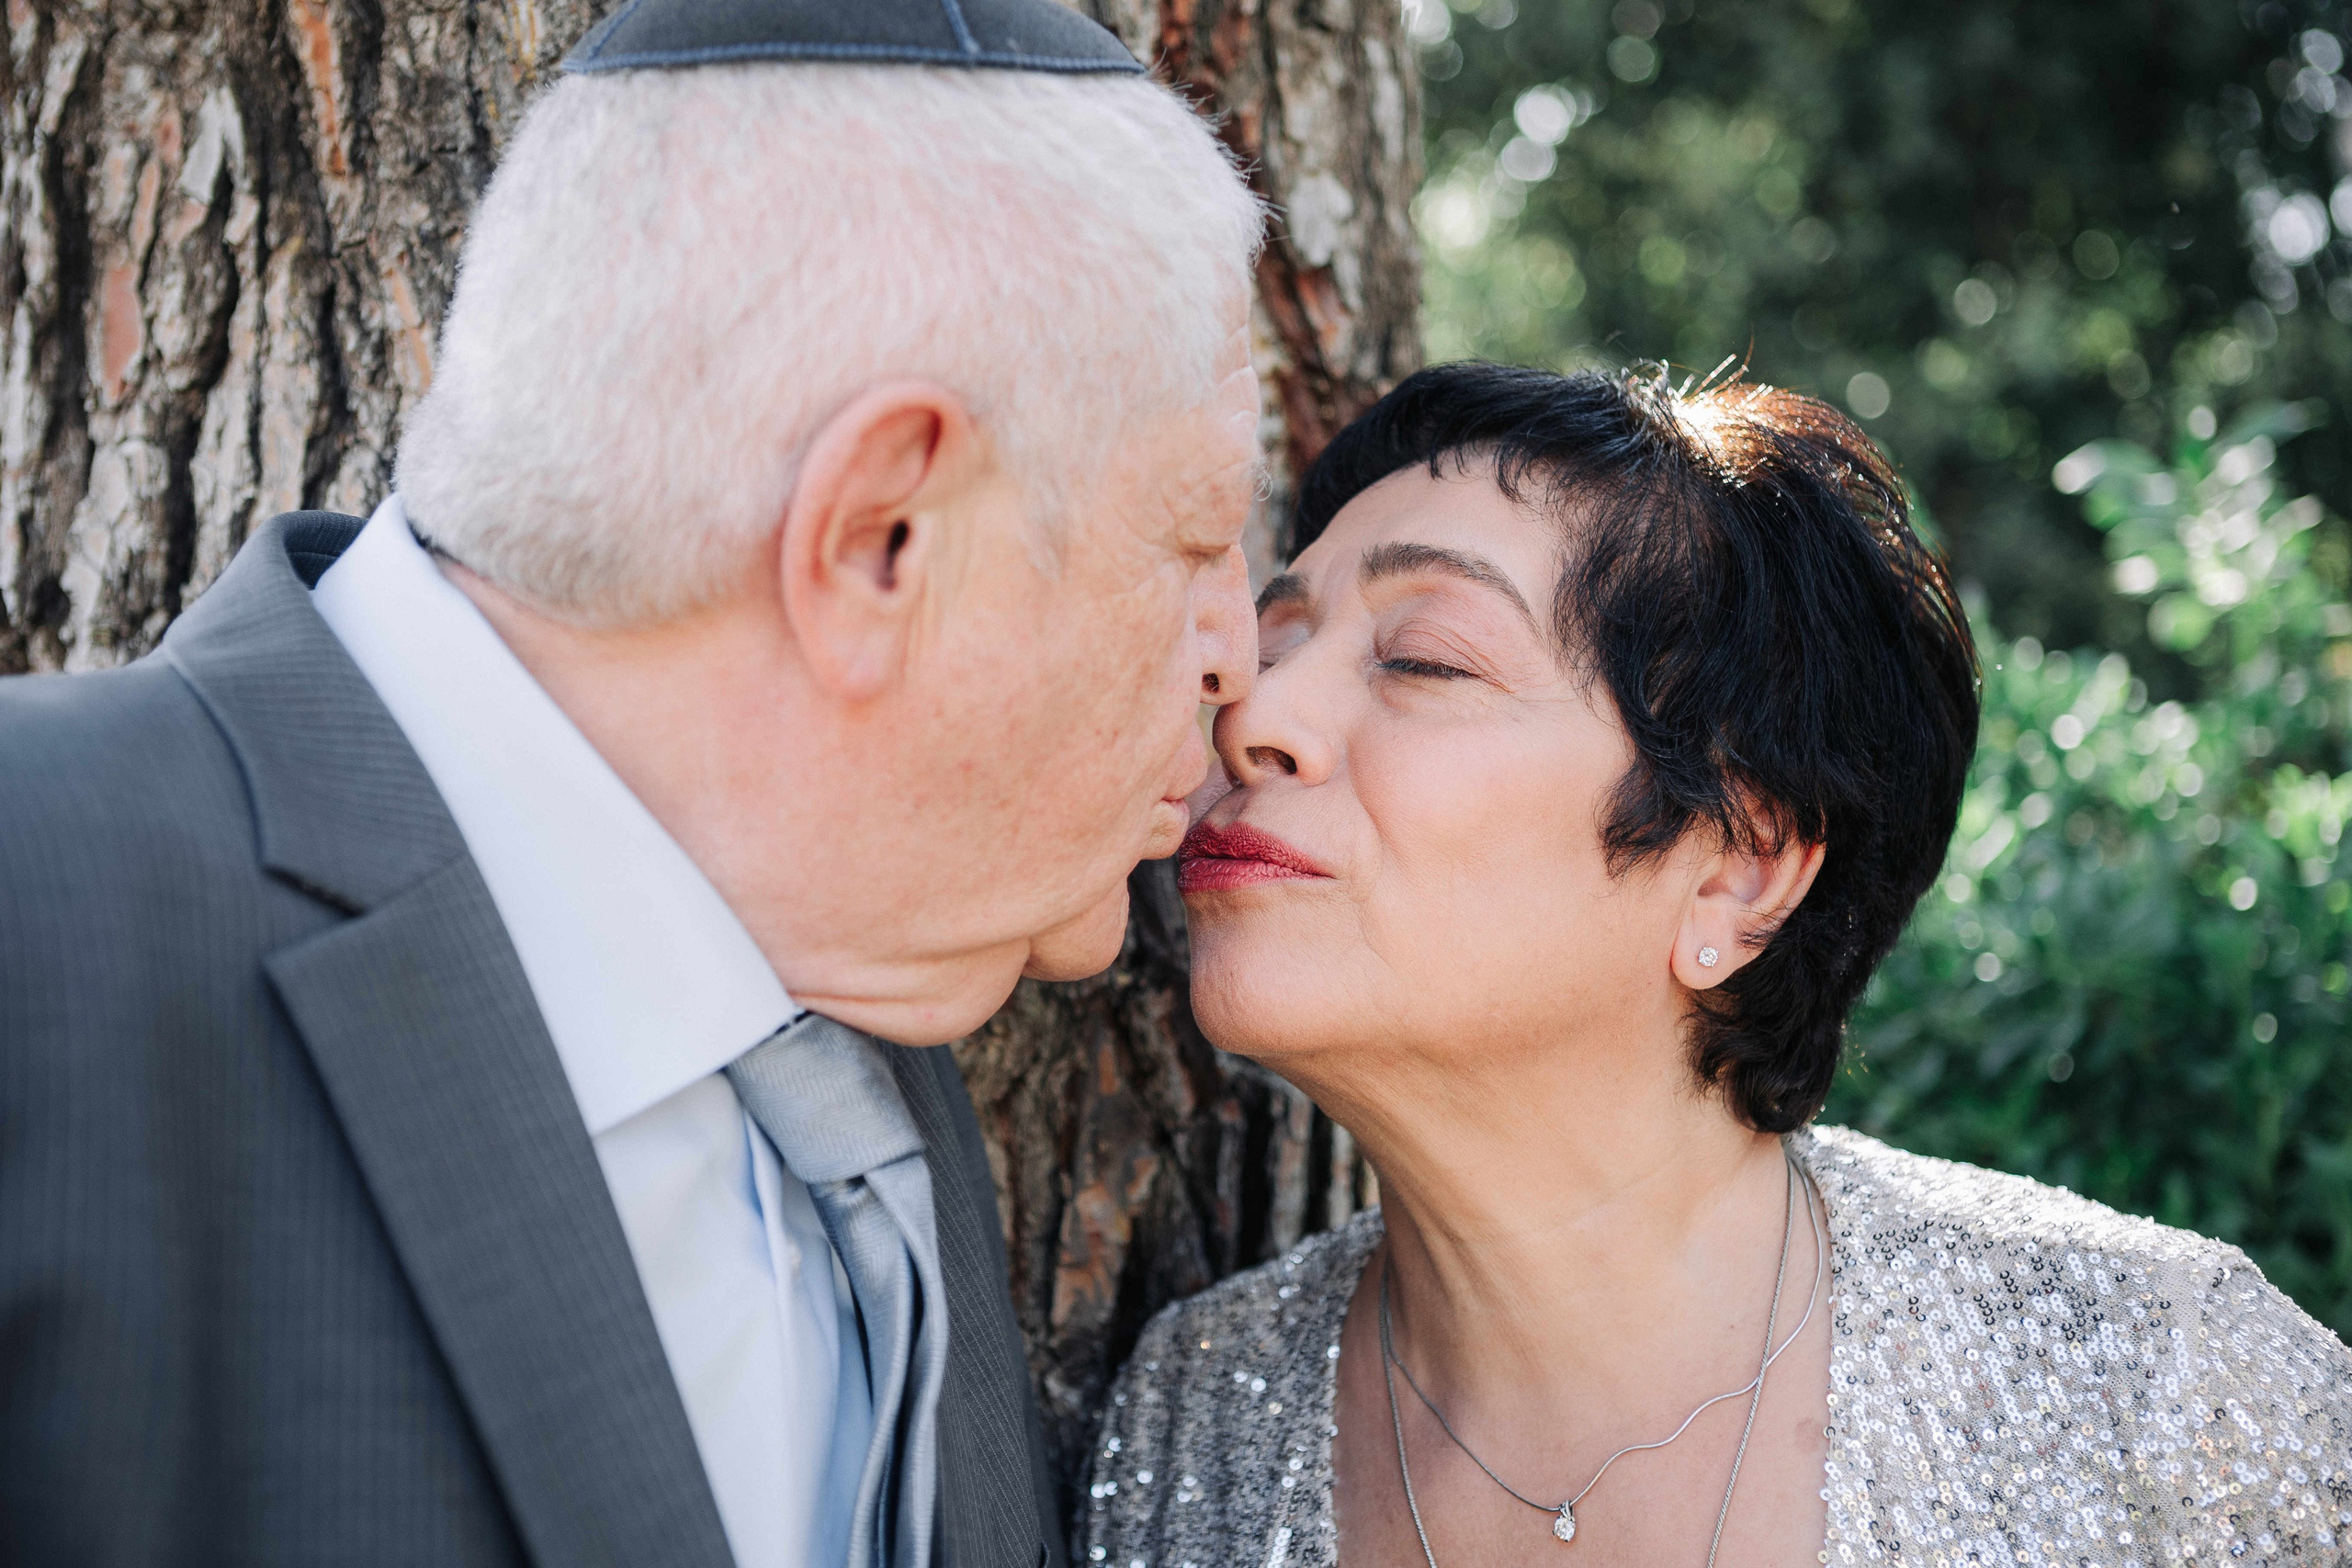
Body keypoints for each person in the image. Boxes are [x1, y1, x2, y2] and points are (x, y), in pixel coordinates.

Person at [0, 4, 1263, 1566]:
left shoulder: (861, 1037)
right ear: (882, 541)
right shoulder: (32, 925)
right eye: (1199, 540)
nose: (1240, 659)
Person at [1081, 363, 2352, 1568]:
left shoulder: (2155, 1393)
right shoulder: (1188, 1420)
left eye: (1423, 660)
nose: (1253, 715)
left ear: (1740, 869)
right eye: (1273, 642)